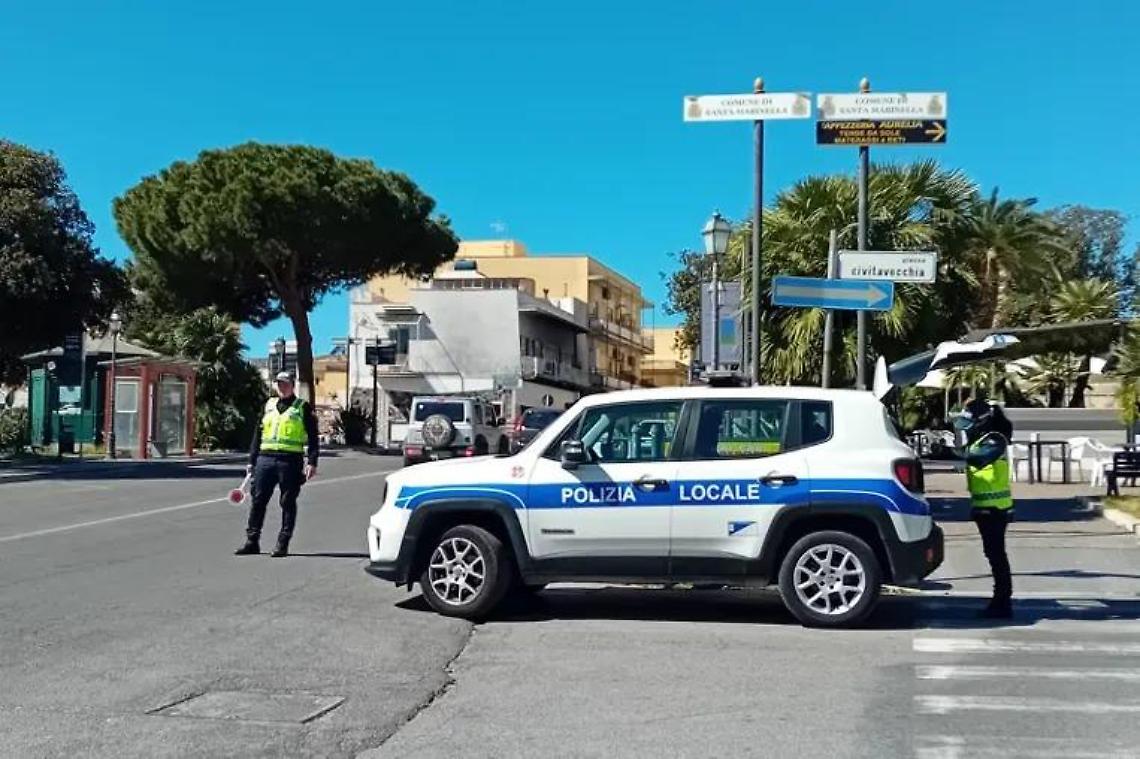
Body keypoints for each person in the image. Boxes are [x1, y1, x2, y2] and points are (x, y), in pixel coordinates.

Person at [235, 371, 319, 558]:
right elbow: (257, 434)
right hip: (265, 459)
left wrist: (312, 462)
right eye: (279, 384)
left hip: (290, 460)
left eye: (285, 383)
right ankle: (252, 541)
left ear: (293, 385)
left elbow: (313, 437)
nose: (282, 387)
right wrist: (251, 460)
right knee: (258, 500)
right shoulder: (269, 405)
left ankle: (283, 543)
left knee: (287, 502)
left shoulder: (302, 407)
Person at [955, 389, 1014, 618]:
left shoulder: (995, 439)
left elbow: (978, 459)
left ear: (982, 420)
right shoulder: (980, 439)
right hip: (983, 508)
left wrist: (951, 452)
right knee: (992, 553)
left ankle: (1002, 601)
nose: (966, 429)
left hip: (996, 509)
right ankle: (1000, 600)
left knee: (997, 555)